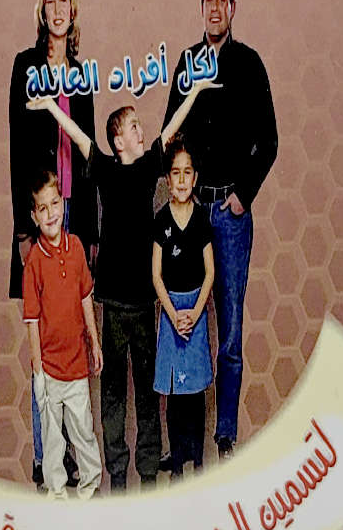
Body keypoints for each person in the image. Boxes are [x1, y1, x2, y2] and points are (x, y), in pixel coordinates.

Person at [28, 76, 213, 491]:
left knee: (147, 393)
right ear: (117, 140)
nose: (141, 131)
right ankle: (116, 473)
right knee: (112, 393)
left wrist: (196, 92)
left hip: (145, 303)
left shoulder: (149, 168)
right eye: (133, 127)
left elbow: (171, 127)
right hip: (112, 304)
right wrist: (51, 107)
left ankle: (147, 472)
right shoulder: (105, 170)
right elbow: (79, 137)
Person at [162, 0, 277, 457]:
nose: (214, 7)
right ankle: (185, 443)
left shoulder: (249, 64)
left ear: (233, 6)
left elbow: (269, 140)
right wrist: (179, 195)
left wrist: (242, 195)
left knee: (229, 330)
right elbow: (169, 135)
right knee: (184, 322)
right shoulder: (187, 63)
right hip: (189, 215)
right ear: (201, 5)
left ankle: (225, 433)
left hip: (229, 217)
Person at [8, 0, 97, 484]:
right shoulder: (26, 66)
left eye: (65, 0)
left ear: (73, 9)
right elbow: (16, 148)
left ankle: (72, 458)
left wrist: (93, 233)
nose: (58, 9)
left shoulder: (82, 74)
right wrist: (23, 230)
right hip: (39, 218)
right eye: (51, 1)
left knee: (71, 336)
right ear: (42, 10)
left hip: (74, 220)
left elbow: (89, 156)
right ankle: (46, 462)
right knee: (41, 339)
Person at [21, 170, 102, 500]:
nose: (51, 213)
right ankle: (56, 496)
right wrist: (38, 373)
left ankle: (89, 490)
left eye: (55, 204)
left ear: (63, 204)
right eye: (43, 208)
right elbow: (31, 321)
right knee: (53, 440)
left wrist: (94, 342)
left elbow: (85, 297)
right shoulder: (34, 263)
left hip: (77, 365)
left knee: (84, 432)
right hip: (50, 370)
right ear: (34, 216)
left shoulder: (77, 247)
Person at [152, 140, 215, 475]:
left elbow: (210, 272)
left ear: (195, 178)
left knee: (195, 392)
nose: (181, 180)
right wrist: (174, 315)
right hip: (172, 314)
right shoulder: (161, 220)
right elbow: (156, 275)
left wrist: (196, 311)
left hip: (196, 311)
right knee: (176, 393)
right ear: (168, 178)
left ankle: (199, 462)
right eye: (175, 173)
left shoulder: (202, 217)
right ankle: (177, 464)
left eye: (187, 173)